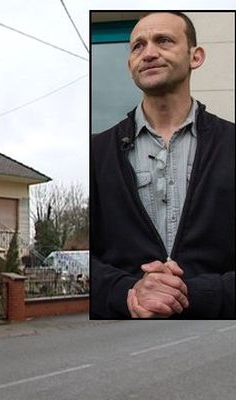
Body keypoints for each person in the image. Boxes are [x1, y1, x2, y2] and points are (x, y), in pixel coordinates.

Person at [90, 12, 235, 318]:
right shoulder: (97, 152)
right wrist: (128, 292)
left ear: (195, 57)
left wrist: (193, 293)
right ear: (130, 64)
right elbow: (89, 262)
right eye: (138, 46)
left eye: (164, 41)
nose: (149, 53)